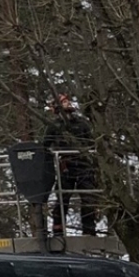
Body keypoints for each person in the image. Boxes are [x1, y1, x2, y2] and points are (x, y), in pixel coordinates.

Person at [42, 94, 97, 236]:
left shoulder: (82, 123)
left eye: (67, 101)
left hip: (84, 165)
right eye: (63, 102)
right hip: (65, 166)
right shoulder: (54, 127)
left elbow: (91, 142)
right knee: (62, 198)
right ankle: (58, 230)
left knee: (88, 198)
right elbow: (45, 146)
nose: (67, 103)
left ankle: (89, 229)